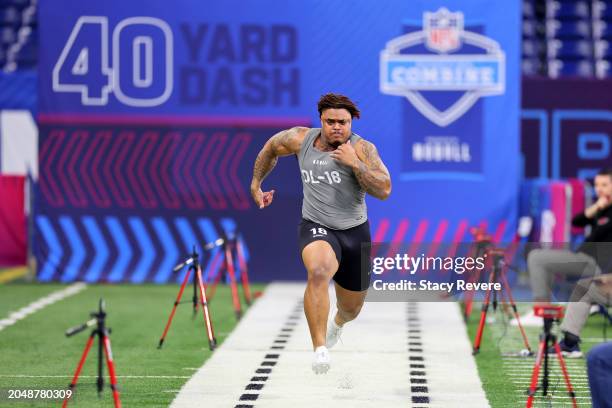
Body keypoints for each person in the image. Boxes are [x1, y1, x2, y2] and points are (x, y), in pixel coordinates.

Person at [250, 93, 391, 374]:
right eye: (331, 122)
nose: (338, 127)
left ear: (351, 123)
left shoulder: (362, 149)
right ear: (321, 121)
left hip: (354, 231)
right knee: (318, 271)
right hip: (316, 224)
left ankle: (337, 324)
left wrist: (355, 164)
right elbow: (270, 148)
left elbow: (384, 189)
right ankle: (320, 349)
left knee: (351, 309)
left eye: (344, 122)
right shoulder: (300, 139)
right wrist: (256, 183)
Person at [516, 168, 612, 357]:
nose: (599, 189)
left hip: (597, 264)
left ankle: (546, 316)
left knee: (581, 285)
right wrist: (598, 207)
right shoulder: (601, 207)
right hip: (586, 260)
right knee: (539, 258)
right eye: (597, 185)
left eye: (605, 185)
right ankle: (565, 337)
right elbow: (577, 222)